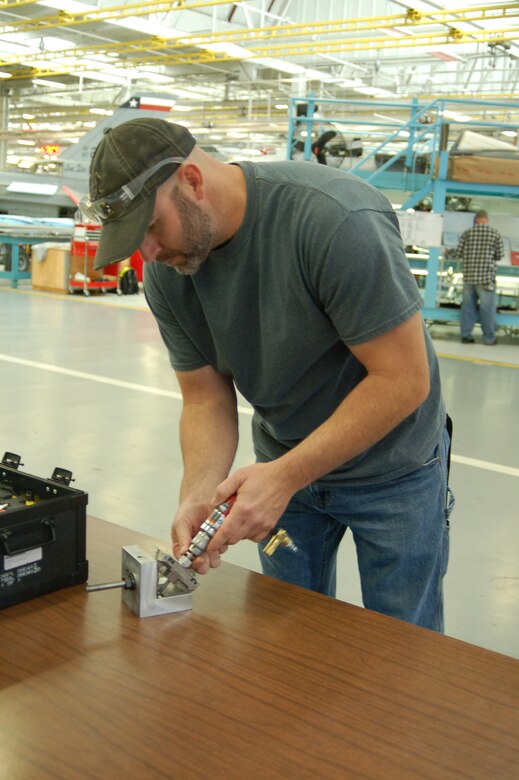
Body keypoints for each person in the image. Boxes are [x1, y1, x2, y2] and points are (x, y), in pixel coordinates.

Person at [83, 118, 454, 631]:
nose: (147, 253)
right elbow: (205, 399)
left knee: (402, 642)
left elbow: (404, 379)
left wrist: (285, 477)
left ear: (192, 180)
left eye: (150, 227)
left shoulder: (334, 220)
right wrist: (199, 493)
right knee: (288, 638)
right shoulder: (169, 273)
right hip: (282, 462)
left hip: (393, 470)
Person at [454, 210, 504, 345]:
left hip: (469, 277)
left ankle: (466, 336)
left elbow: (458, 253)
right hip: (486, 278)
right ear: (486, 220)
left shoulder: (467, 233)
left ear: (476, 220)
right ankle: (489, 338)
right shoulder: (494, 234)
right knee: (487, 309)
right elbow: (499, 255)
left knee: (468, 307)